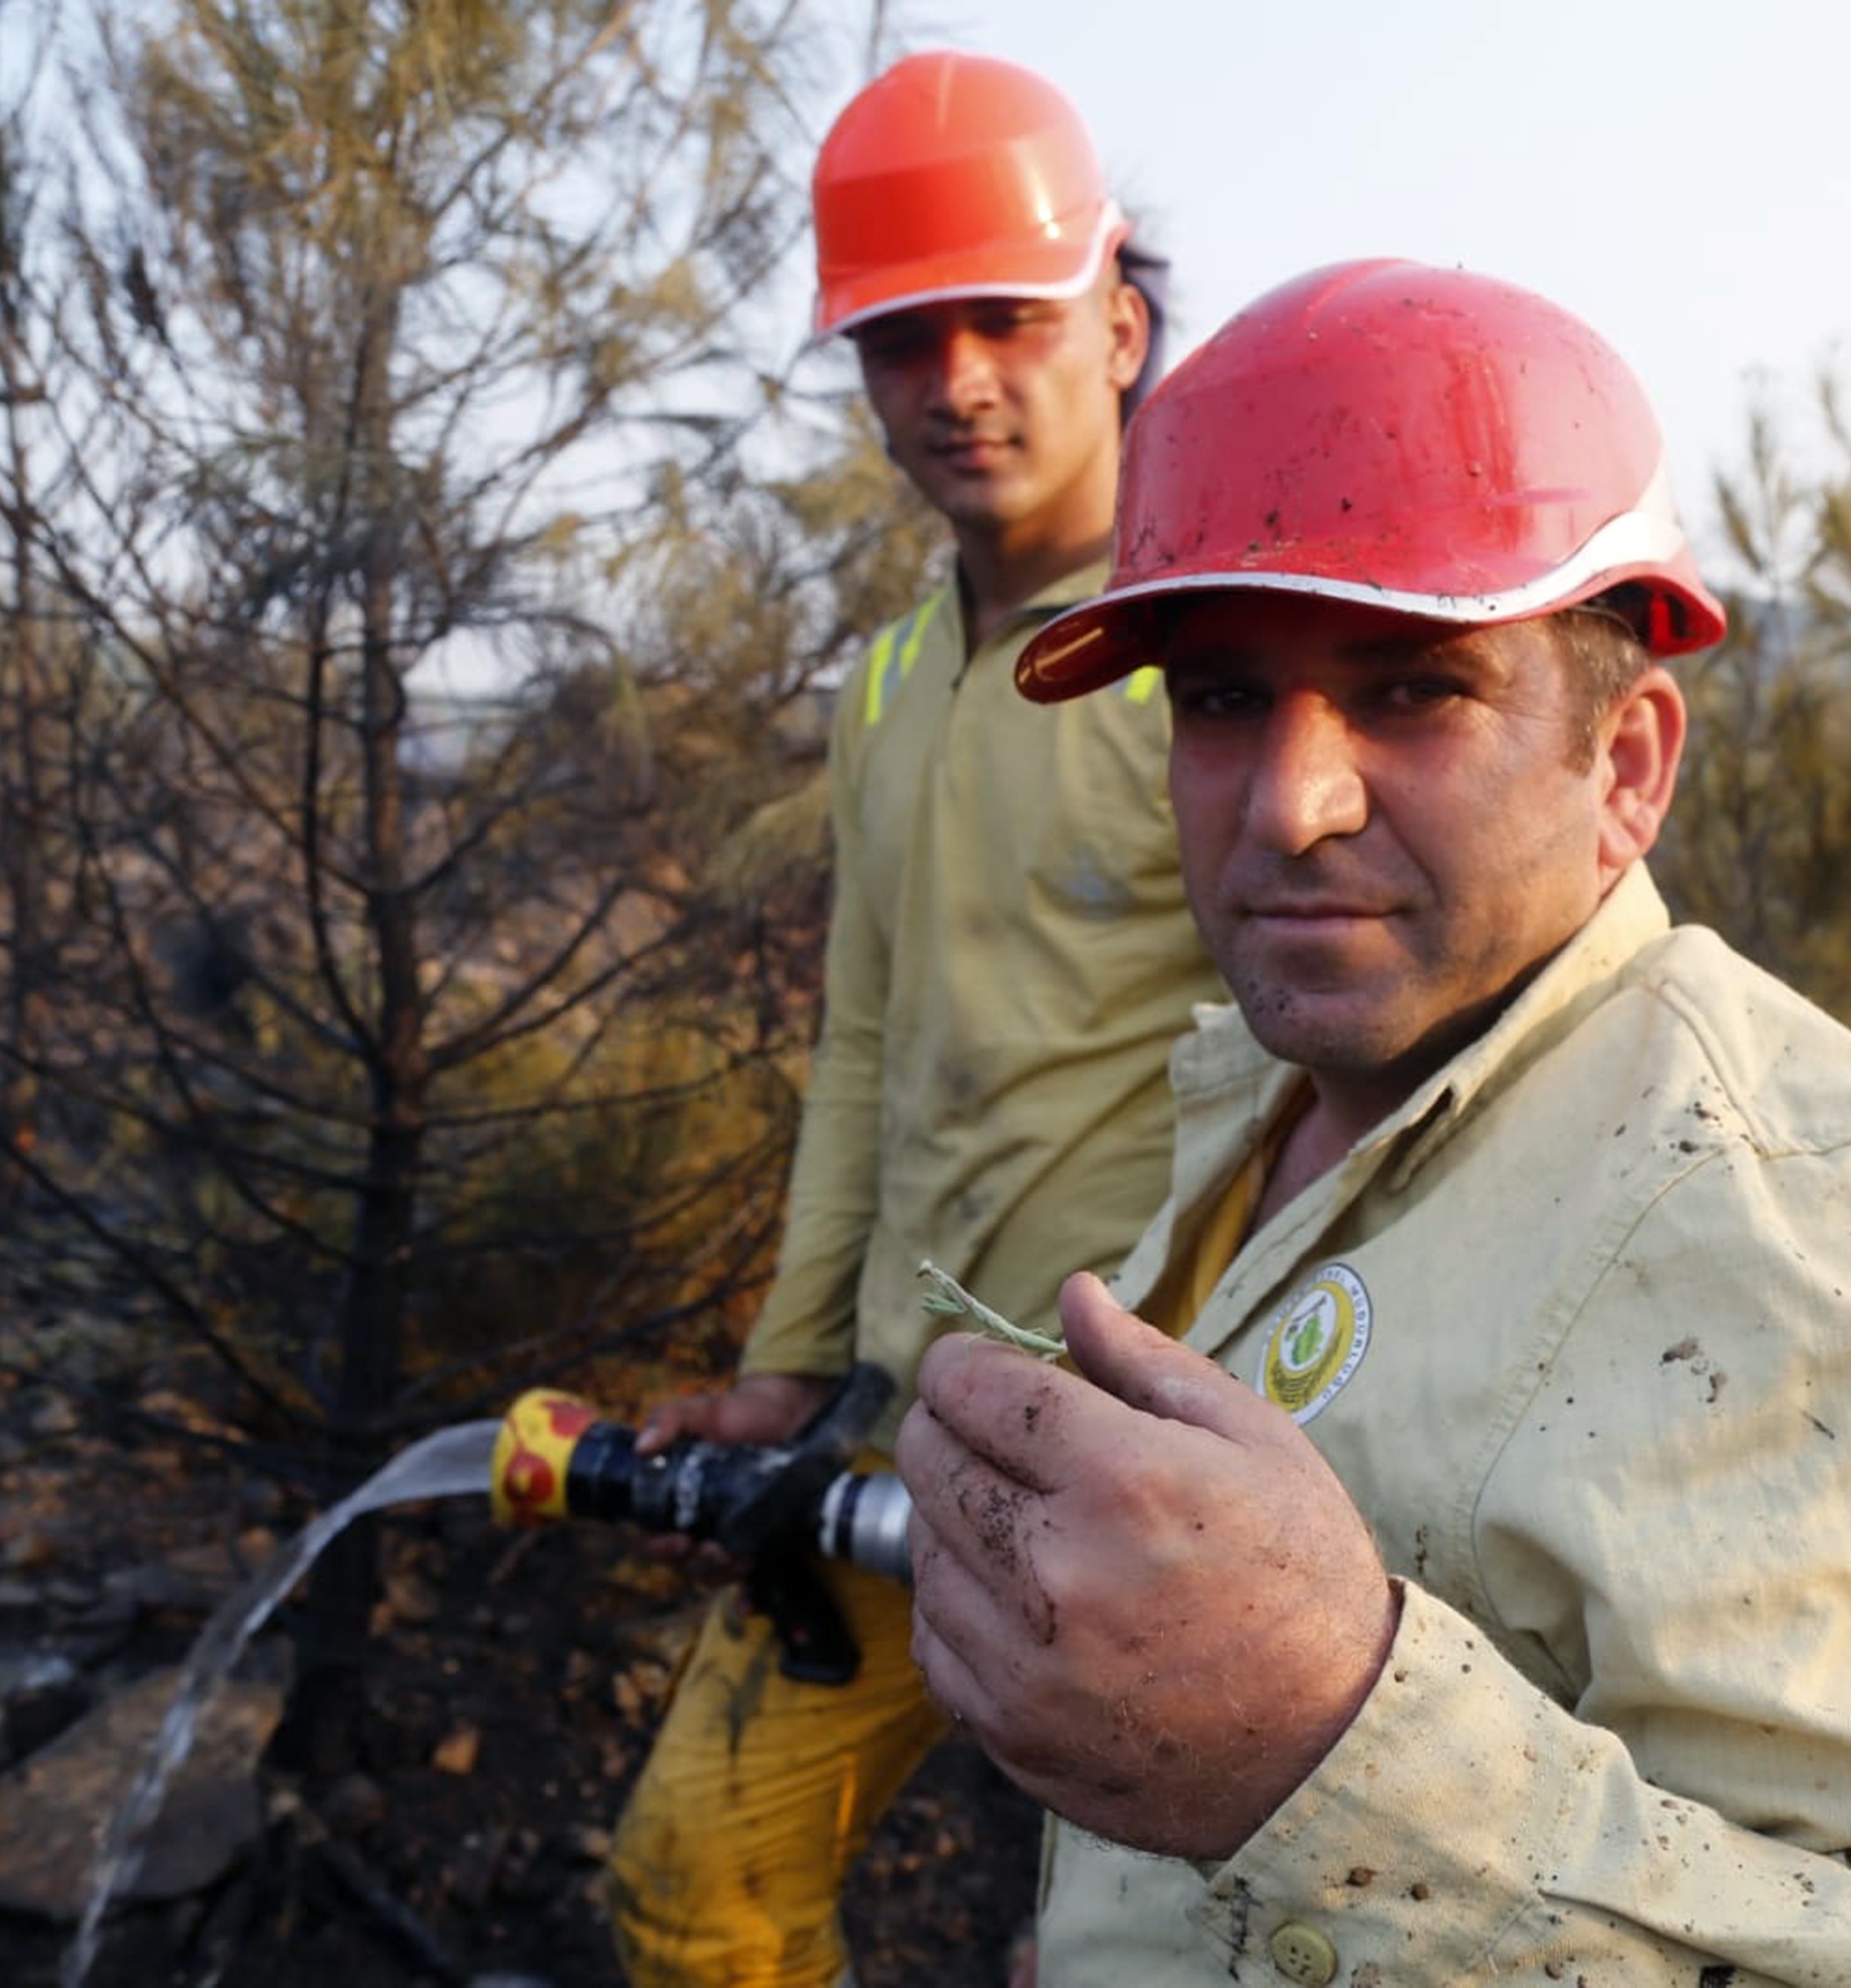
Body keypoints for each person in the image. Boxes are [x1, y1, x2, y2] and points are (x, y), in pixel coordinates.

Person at [897, 259, 1851, 1988]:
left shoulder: (1794, 1222)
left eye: (1416, 690)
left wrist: (1324, 1760)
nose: (1288, 800)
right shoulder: (1275, 1097)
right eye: (1220, 699)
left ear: (1627, 764)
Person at [605, 51, 1222, 1988]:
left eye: (1006, 320)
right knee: (690, 1885)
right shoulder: (884, 688)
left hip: (1180, 1467)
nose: (955, 380)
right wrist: (792, 1374)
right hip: (903, 1432)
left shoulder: (1225, 658)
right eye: (898, 337)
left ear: (1115, 325)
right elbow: (862, 1051)